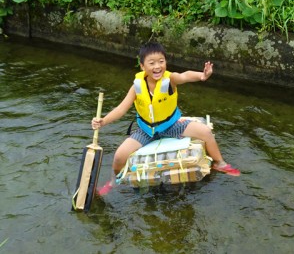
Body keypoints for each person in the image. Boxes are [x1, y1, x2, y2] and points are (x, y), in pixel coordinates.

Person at [92, 42, 240, 195]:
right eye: (152, 63)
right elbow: (121, 109)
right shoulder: (137, 86)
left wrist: (202, 76)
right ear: (142, 66)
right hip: (146, 130)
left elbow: (185, 76)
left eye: (161, 61)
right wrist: (103, 121)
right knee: (119, 156)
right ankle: (115, 181)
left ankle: (220, 163)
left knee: (206, 133)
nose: (157, 66)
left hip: (172, 125)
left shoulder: (170, 79)